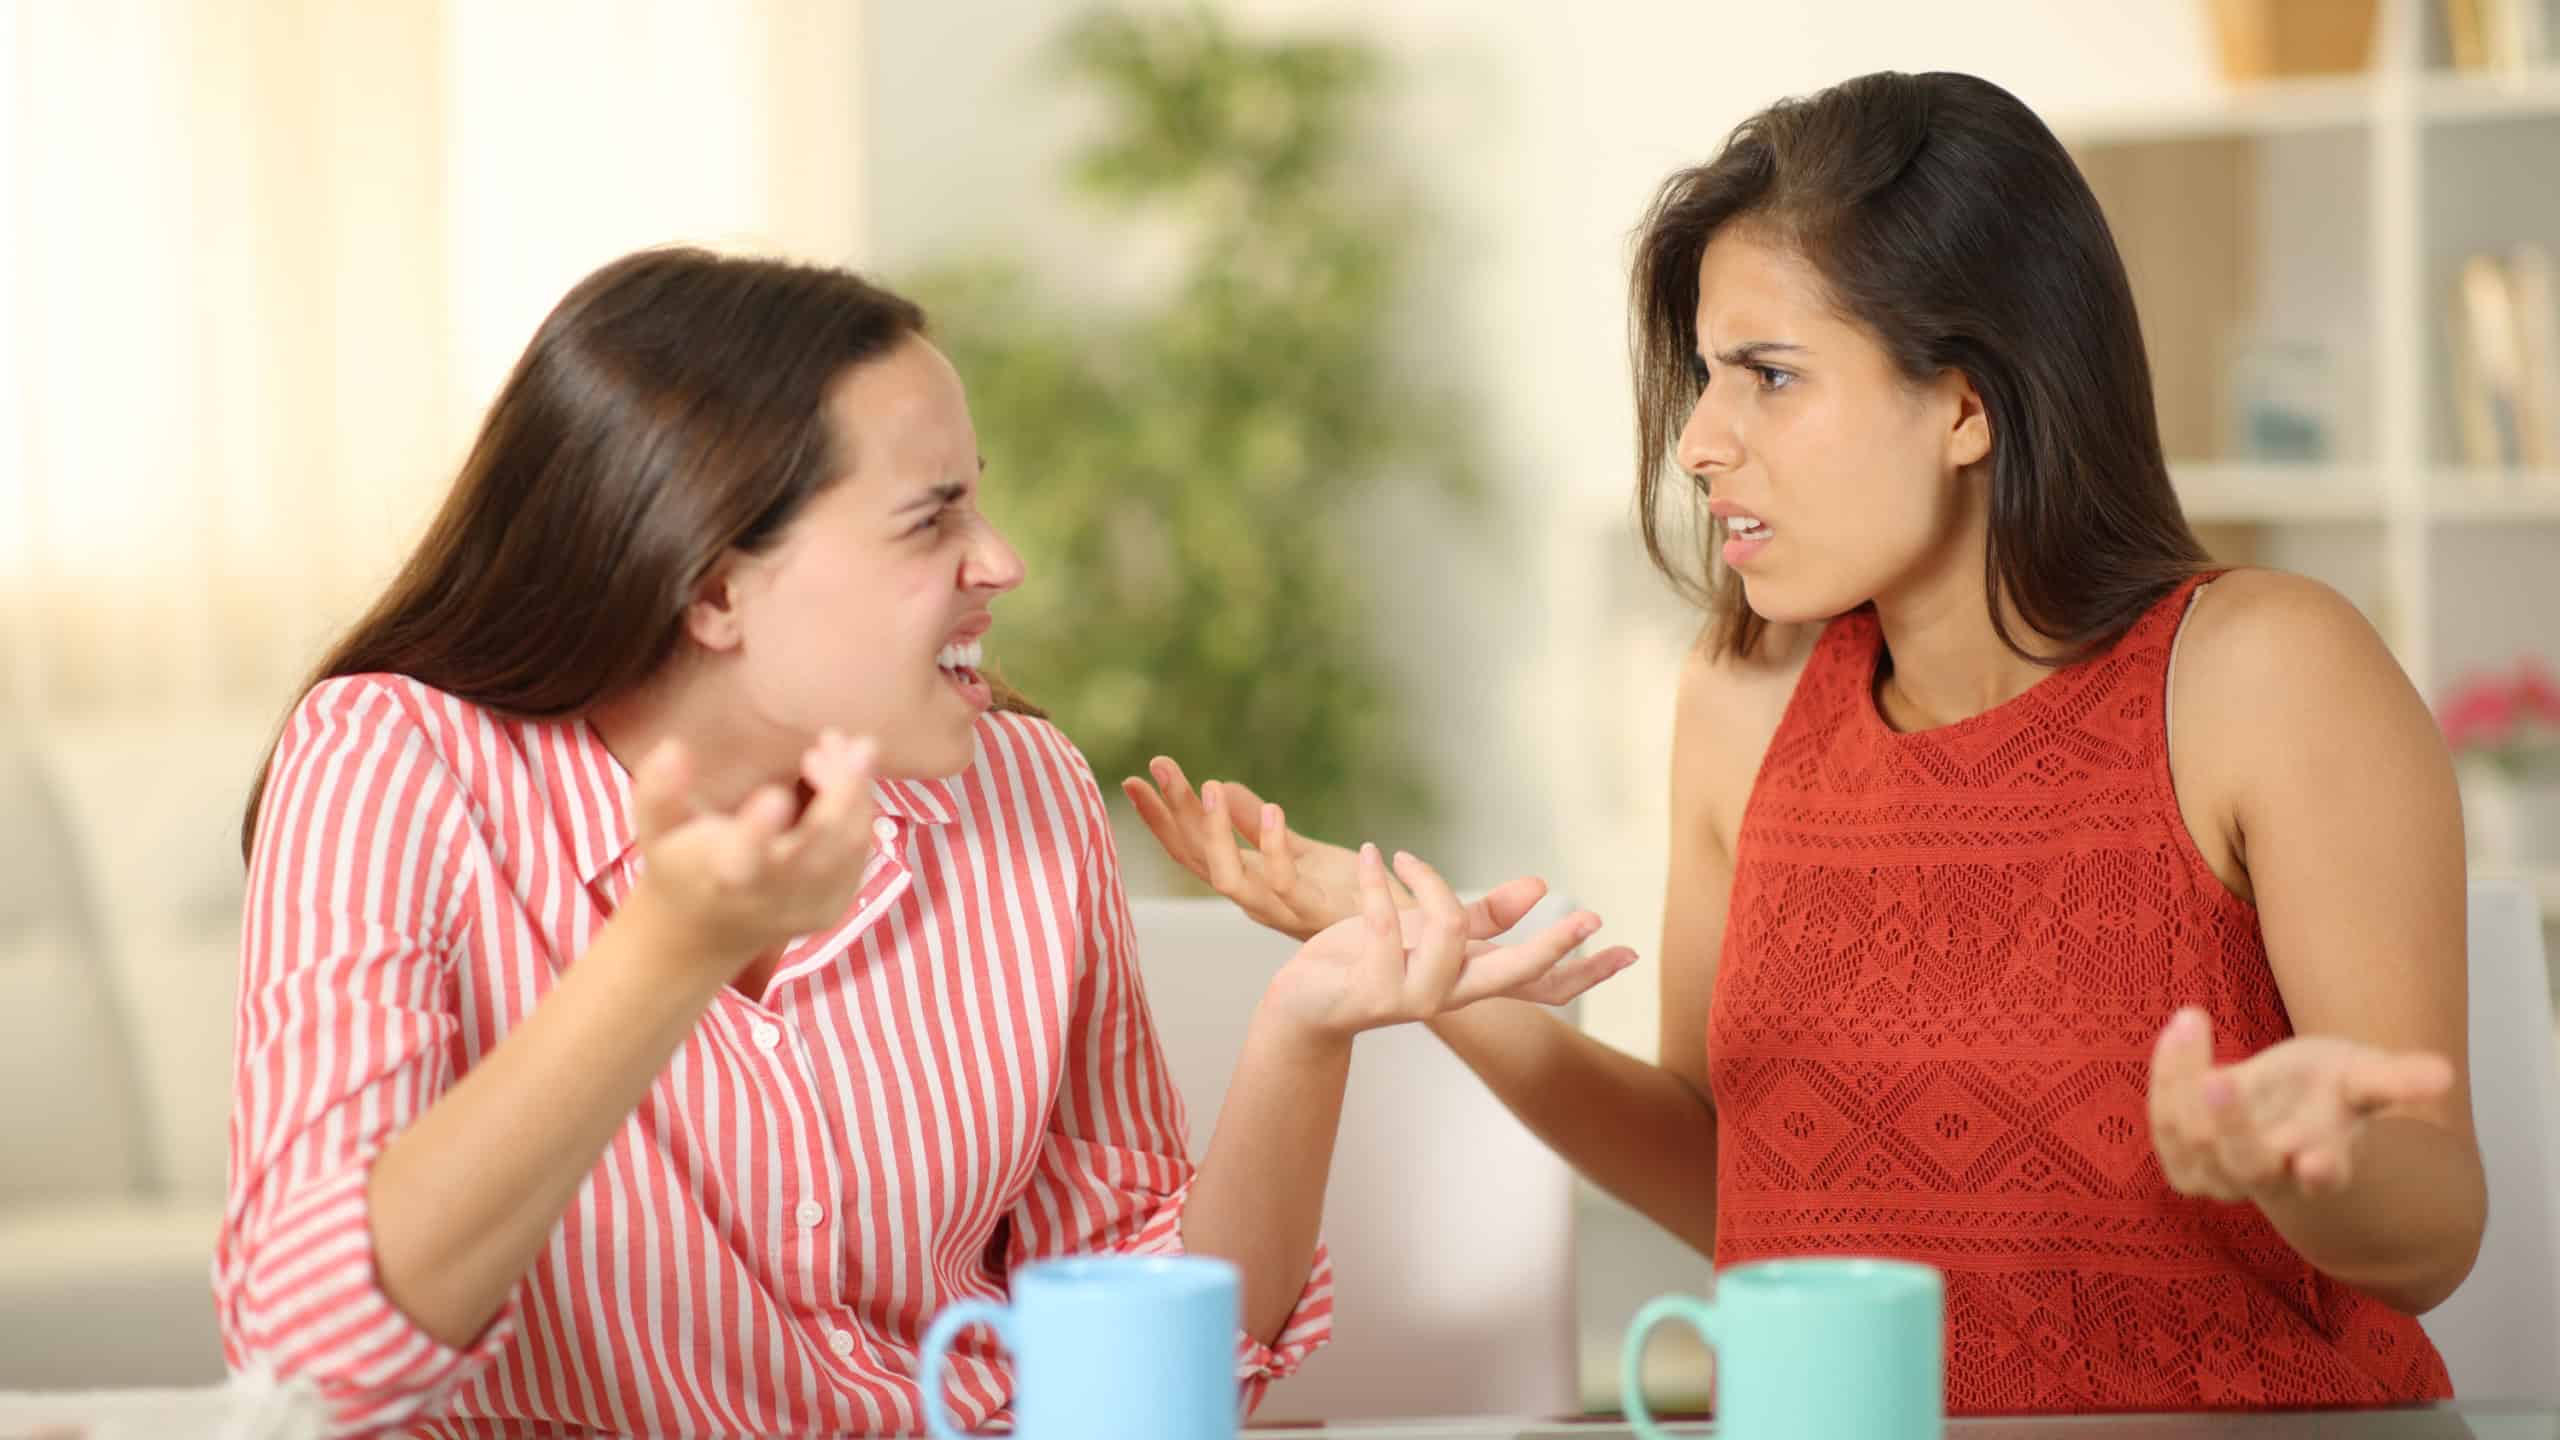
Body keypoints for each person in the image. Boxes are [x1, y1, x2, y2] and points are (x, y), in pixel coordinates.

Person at [1127, 70, 2483, 1413]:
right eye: (1709, 380)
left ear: (1967, 404)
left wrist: (2295, 1162)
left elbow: (2432, 1235)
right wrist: (1439, 985)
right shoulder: (1742, 699)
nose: (1703, 443)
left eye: (1772, 377)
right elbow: (1740, 1179)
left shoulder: (2264, 672)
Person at [218, 247, 1632, 1438]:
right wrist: (668, 952)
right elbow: (316, 1355)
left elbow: (1158, 1375)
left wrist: (1302, 1035)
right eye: (930, 517)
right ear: (712, 584)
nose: (1001, 560)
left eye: (979, 497)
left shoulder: (1019, 789)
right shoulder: (394, 762)